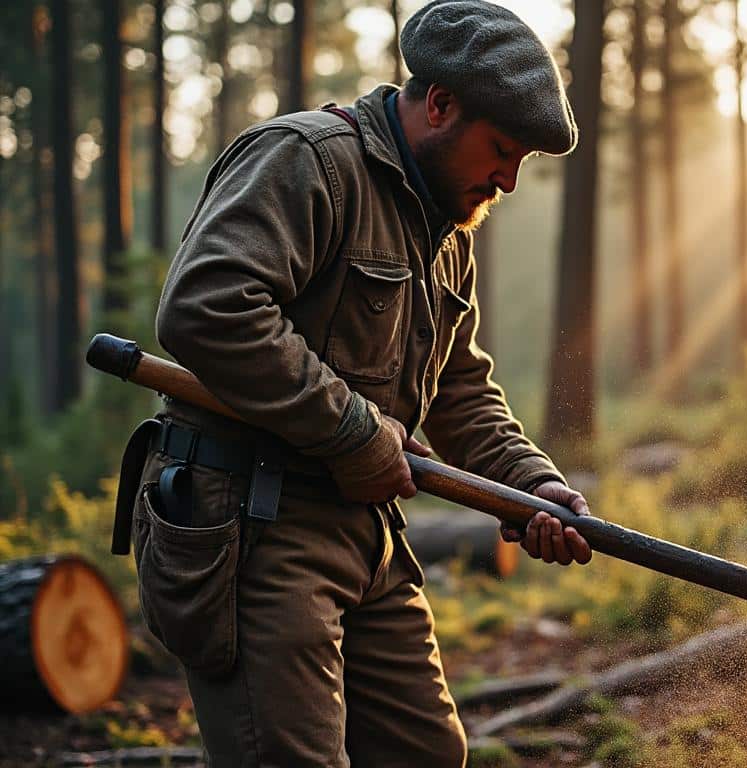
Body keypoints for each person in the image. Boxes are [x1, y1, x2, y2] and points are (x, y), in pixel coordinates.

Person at [129, 2, 590, 765]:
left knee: (427, 753)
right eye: (502, 149)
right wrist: (352, 427)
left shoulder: (443, 227)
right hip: (252, 525)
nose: (507, 180)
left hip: (363, 531)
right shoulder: (307, 160)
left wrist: (528, 484)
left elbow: (459, 389)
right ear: (439, 104)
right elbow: (207, 308)